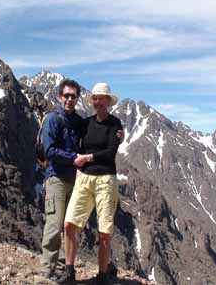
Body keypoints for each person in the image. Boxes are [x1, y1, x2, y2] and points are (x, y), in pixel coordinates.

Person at [58, 82, 123, 285]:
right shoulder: (86, 123)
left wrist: (86, 158)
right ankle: (69, 272)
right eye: (95, 98)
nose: (98, 102)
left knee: (104, 231)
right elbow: (74, 140)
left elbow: (110, 152)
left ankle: (102, 276)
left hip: (105, 179)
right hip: (85, 178)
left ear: (108, 101)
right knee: (69, 224)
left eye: (101, 98)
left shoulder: (115, 124)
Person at [39, 79, 84, 279]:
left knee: (69, 225)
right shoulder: (52, 119)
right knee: (54, 224)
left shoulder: (78, 122)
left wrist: (117, 134)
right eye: (66, 95)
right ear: (59, 96)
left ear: (77, 99)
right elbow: (49, 151)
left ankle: (61, 269)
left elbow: (94, 134)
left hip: (73, 181)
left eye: (73, 96)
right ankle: (47, 269)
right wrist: (73, 158)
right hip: (55, 178)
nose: (69, 99)